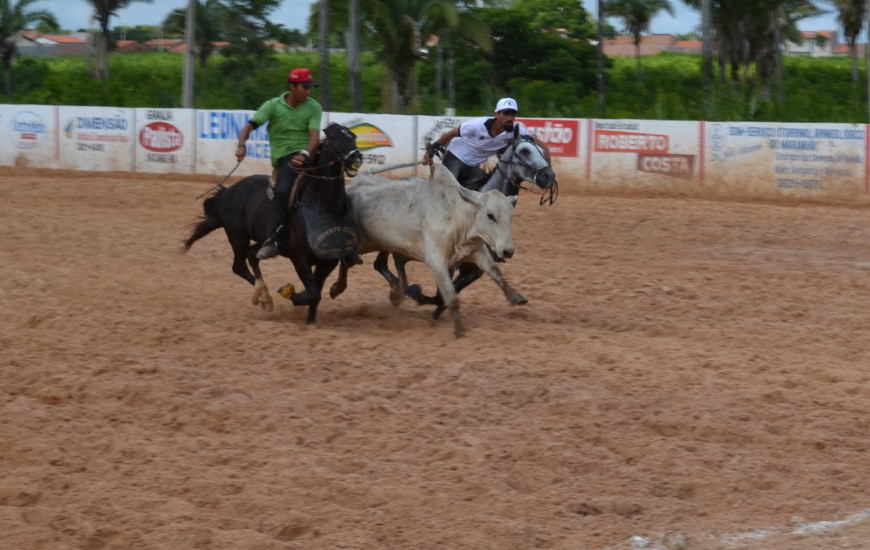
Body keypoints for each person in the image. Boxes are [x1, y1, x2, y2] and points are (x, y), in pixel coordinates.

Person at [236, 67, 322, 260]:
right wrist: (242, 144)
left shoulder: (314, 106)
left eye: (310, 88)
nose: (308, 92)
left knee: (334, 180)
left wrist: (306, 153)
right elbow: (248, 127)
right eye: (304, 87)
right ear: (292, 87)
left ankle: (346, 233)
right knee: (282, 191)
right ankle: (272, 238)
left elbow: (315, 137)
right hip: (286, 158)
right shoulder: (272, 106)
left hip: (308, 154)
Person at [422, 97, 551, 190]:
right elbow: (453, 133)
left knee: (485, 187)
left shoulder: (515, 131)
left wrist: (548, 169)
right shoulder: (477, 125)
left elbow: (543, 146)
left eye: (513, 114)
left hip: (473, 167)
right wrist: (431, 151)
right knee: (448, 190)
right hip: (455, 158)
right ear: (496, 114)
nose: (510, 118)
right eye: (506, 113)